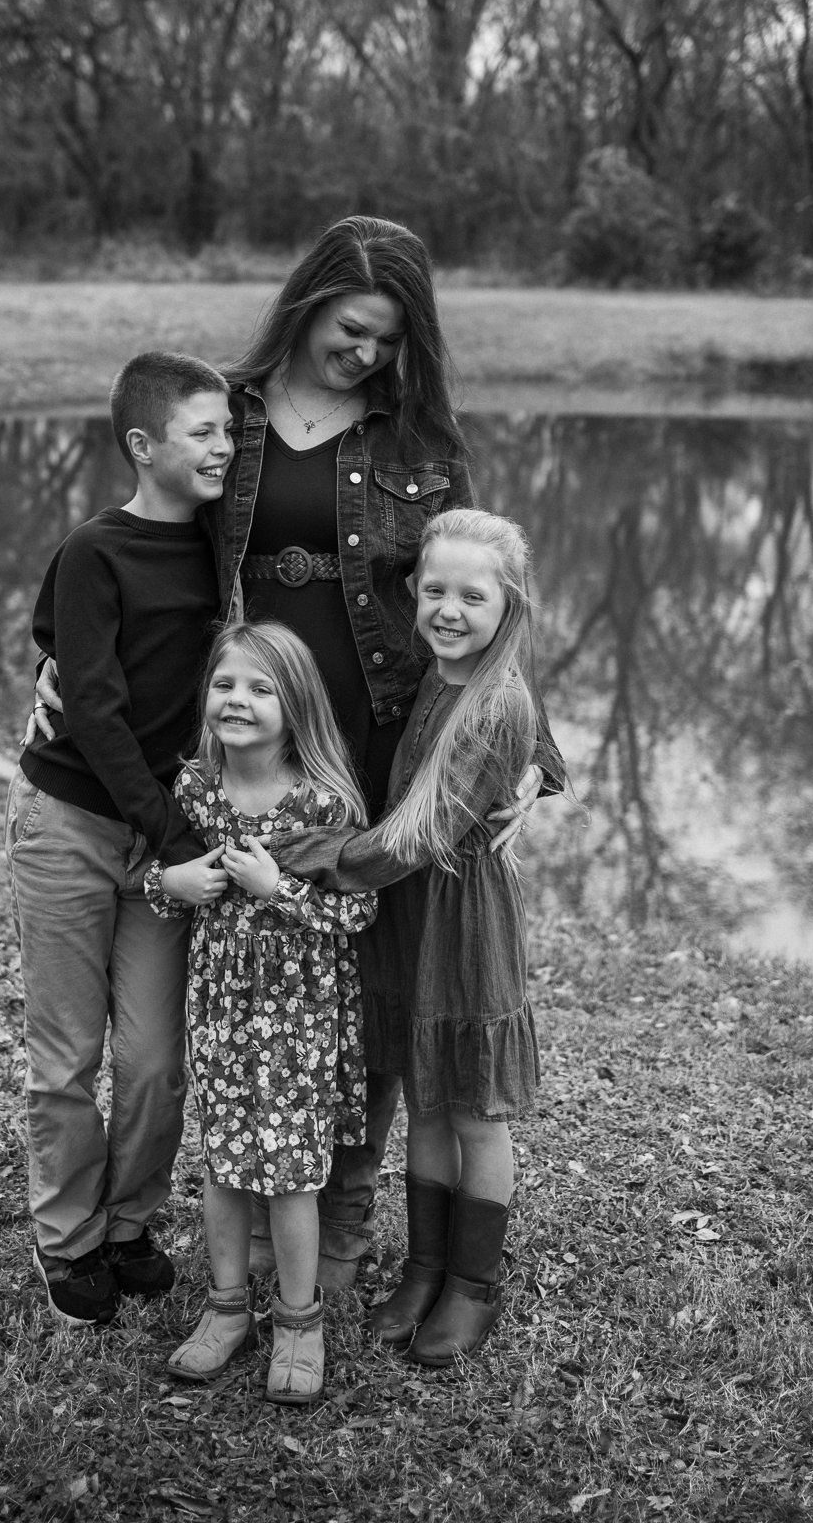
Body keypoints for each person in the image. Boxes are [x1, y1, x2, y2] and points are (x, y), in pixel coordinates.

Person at [27, 215, 541, 1279]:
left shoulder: (419, 439)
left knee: (357, 989)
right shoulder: (231, 416)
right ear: (306, 306)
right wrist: (60, 656)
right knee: (242, 973)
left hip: (374, 736)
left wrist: (534, 754)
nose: (366, 353)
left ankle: (338, 1218)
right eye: (351, 330)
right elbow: (137, 543)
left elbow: (480, 588)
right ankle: (245, 1209)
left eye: (389, 339)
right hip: (243, 738)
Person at [277, 508, 568, 1366]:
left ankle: (472, 1285)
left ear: (509, 607)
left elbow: (418, 837)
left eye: (472, 597)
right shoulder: (437, 675)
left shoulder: (496, 702)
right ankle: (424, 1269)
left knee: (473, 1109)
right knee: (426, 1097)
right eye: (434, 590)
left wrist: (314, 855)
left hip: (461, 915)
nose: (448, 609)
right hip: (412, 914)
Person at [3, 350, 234, 1327]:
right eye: (203, 431)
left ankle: (129, 1221)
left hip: (161, 834)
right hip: (71, 823)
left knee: (151, 1060)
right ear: (143, 445)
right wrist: (175, 836)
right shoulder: (94, 551)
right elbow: (90, 706)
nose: (223, 447)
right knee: (68, 1054)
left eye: (230, 431)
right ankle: (67, 1239)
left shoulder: (226, 552)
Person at [145, 622, 376, 1405]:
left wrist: (278, 889)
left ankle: (299, 1323)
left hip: (299, 1021)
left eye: (259, 688)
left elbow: (359, 913)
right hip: (219, 1009)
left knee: (290, 1174)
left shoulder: (322, 801)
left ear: (295, 704)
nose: (237, 700)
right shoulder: (193, 790)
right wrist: (170, 884)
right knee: (222, 1161)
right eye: (224, 684)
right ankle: (225, 1309)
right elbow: (152, 877)